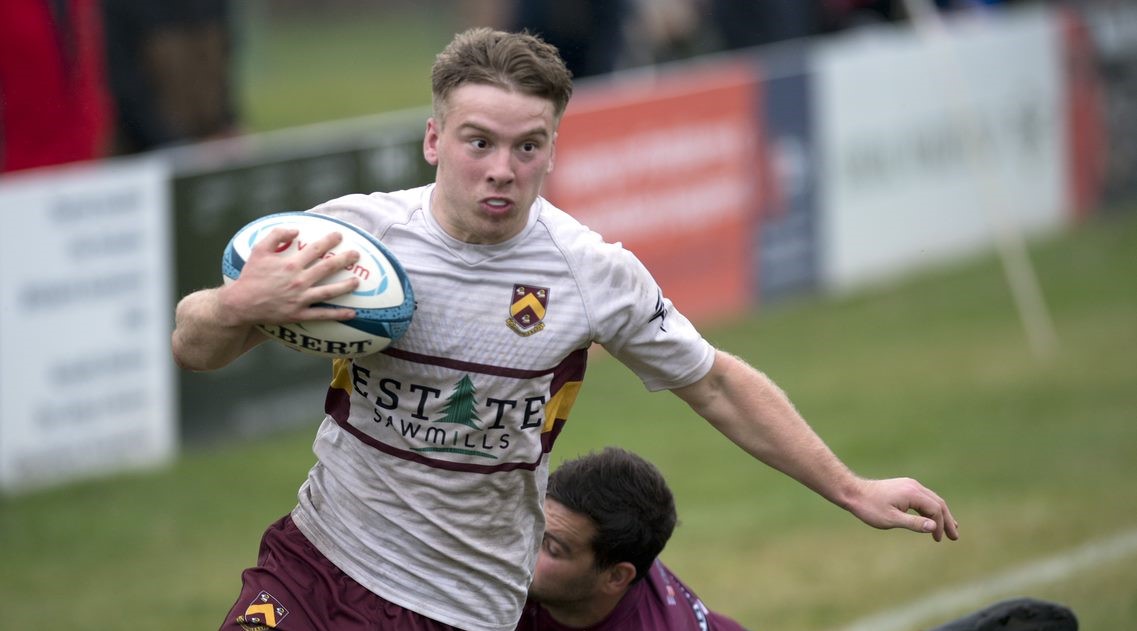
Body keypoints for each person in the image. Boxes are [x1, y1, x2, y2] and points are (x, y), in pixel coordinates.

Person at [171, 27, 958, 631]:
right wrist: (236, 304)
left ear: (552, 148)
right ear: (434, 139)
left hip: (464, 606)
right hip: (316, 562)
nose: (502, 169)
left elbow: (714, 383)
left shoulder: (590, 272)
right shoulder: (351, 242)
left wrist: (851, 488)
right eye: (478, 140)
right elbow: (194, 345)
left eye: (528, 146)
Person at [519, 448, 1077, 631]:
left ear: (617, 576)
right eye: (538, 531)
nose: (526, 552)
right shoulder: (514, 558)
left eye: (555, 549)